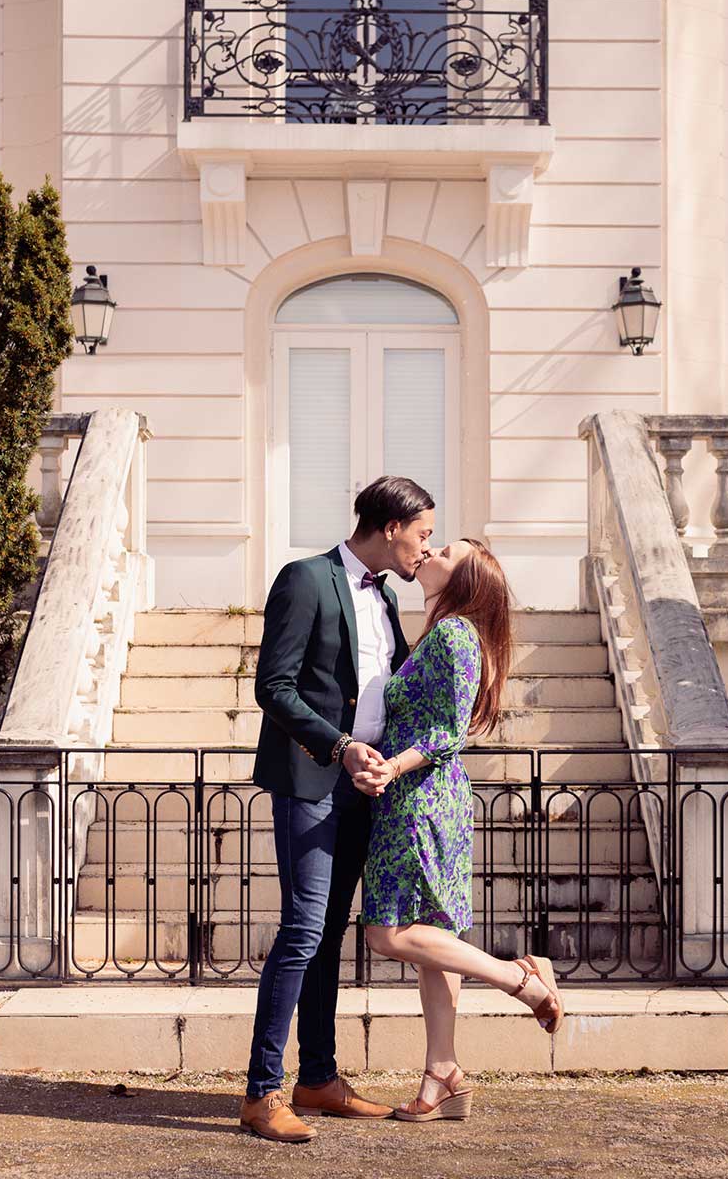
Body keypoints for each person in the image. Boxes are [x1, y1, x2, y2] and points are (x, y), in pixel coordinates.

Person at [239, 476, 435, 1144]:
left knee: (328, 933)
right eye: (422, 534)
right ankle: (262, 1092)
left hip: (366, 787)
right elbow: (275, 685)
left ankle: (318, 1079)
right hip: (311, 780)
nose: (424, 547)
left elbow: (391, 688)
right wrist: (342, 745)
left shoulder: (383, 598)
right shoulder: (306, 579)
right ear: (390, 528)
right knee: (302, 928)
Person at [357, 537, 566, 1123]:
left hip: (419, 799)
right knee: (431, 946)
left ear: (465, 579)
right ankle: (442, 1075)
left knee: (386, 933)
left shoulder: (454, 636)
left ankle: (519, 978)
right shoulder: (439, 635)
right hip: (425, 797)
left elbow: (449, 732)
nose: (430, 552)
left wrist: (392, 766)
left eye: (445, 550)